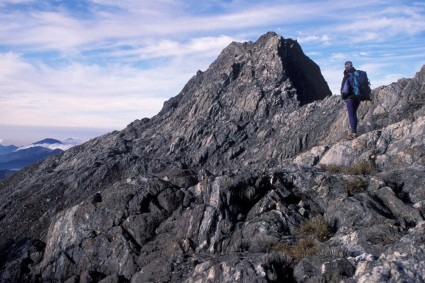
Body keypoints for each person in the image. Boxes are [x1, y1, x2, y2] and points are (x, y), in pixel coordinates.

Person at [341, 61, 360, 140]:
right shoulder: (357, 74)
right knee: (354, 114)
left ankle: (354, 133)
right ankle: (354, 131)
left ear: (346, 67)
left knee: (351, 115)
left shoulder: (347, 76)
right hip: (358, 97)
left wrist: (343, 96)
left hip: (350, 98)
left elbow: (344, 90)